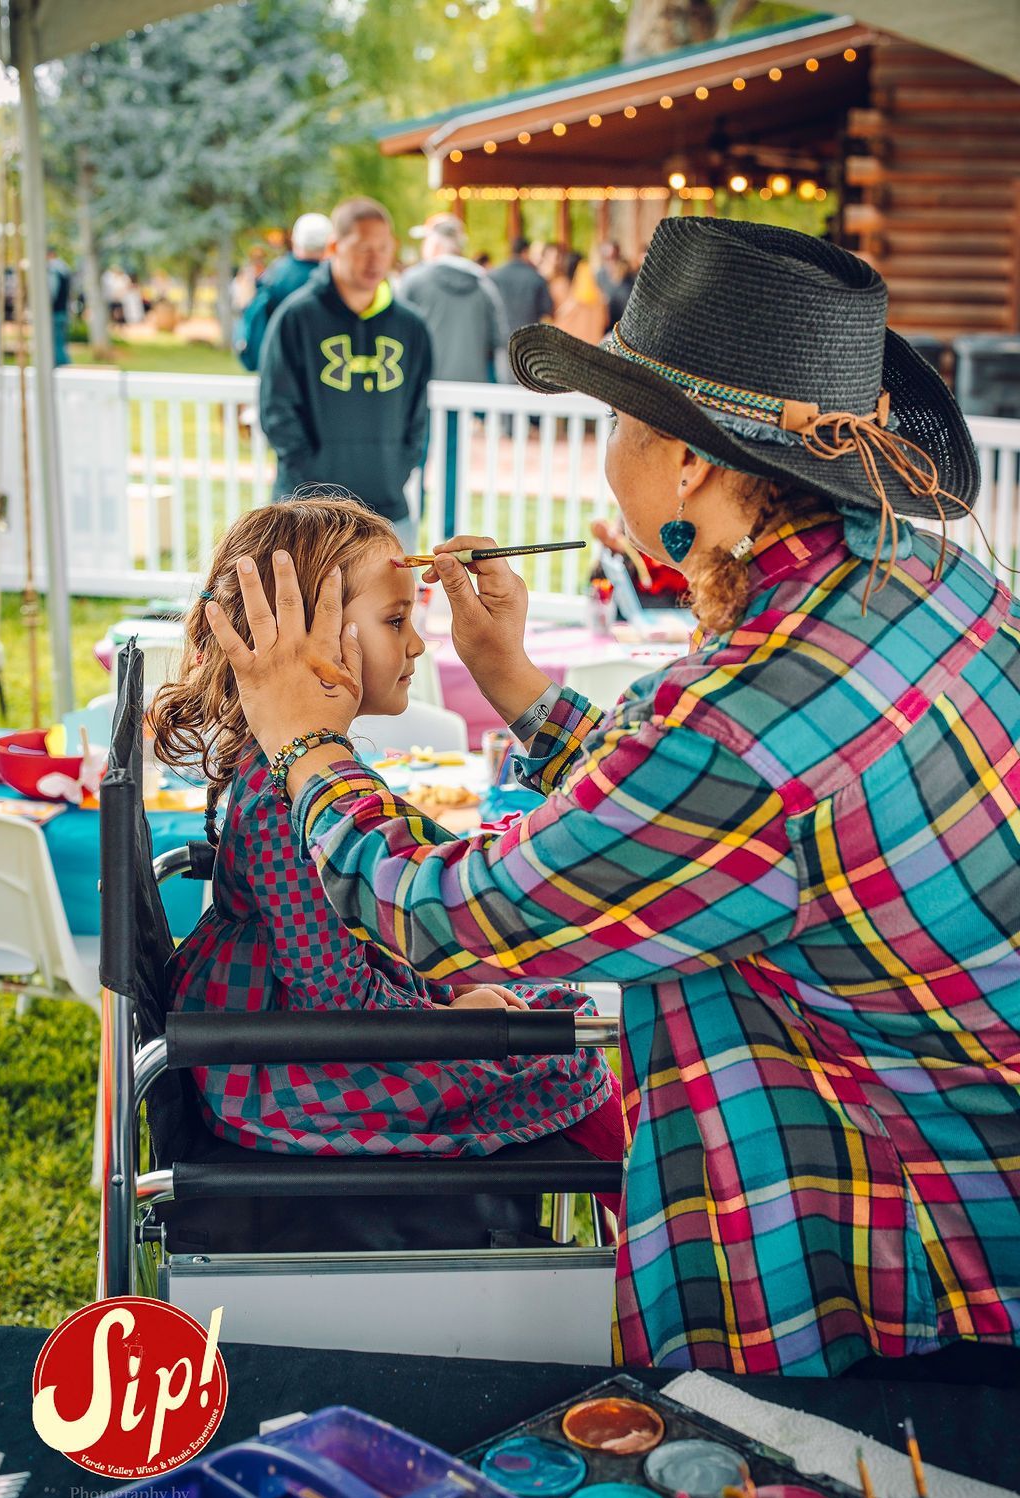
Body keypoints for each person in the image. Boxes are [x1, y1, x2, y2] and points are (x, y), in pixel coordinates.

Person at [203, 217, 1020, 1380]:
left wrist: (304, 742)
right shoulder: (926, 573)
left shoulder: (738, 725)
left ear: (686, 462)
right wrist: (521, 691)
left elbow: (444, 913)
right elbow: (716, 819)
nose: (609, 458)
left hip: (931, 1231)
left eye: (617, 425)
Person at [152, 496, 621, 1180]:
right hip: (292, 1079)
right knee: (566, 1046)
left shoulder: (295, 765)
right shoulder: (290, 801)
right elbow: (336, 998)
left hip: (294, 1043)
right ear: (310, 641)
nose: (418, 645)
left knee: (546, 1011)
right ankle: (633, 1239)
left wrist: (450, 998)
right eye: (397, 620)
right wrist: (453, 1015)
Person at [258, 199, 431, 541]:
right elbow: (276, 410)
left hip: (388, 510)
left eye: (383, 248)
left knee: (394, 598)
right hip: (308, 512)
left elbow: (417, 413)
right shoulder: (297, 318)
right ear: (334, 247)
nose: (375, 259)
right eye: (363, 248)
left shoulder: (411, 326)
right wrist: (311, 479)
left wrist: (399, 468)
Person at [399, 213, 508, 383]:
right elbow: (498, 340)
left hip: (426, 395)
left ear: (434, 243)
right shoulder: (485, 286)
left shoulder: (413, 281)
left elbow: (397, 337)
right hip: (475, 398)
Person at [237, 213, 331, 373]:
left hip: (282, 368)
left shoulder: (276, 275)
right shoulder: (338, 278)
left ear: (295, 240)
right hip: (327, 371)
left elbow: (258, 320)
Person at [489, 237, 554, 336]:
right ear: (525, 252)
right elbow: (547, 308)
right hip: (528, 339)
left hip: (501, 338)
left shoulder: (494, 276)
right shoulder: (536, 278)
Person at [552, 252, 609, 345]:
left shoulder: (558, 287)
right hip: (592, 348)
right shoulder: (599, 296)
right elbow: (606, 321)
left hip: (565, 347)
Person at [47, 248, 71, 367]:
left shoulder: (53, 270)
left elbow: (52, 293)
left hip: (55, 311)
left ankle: (61, 365)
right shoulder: (64, 268)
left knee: (56, 341)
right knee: (61, 340)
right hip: (63, 310)